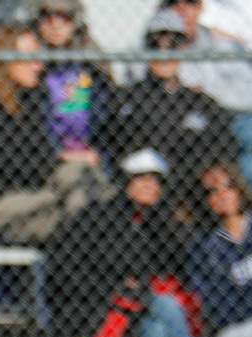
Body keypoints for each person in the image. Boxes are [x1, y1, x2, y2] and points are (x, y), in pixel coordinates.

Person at [46, 148, 245, 337]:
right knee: (163, 307)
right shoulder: (95, 218)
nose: (149, 186)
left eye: (156, 181)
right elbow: (63, 275)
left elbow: (183, 261)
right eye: (140, 179)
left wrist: (159, 218)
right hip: (93, 320)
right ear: (125, 182)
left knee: (155, 335)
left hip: (140, 321)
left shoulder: (157, 224)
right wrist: (116, 292)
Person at [0, 23, 102, 245]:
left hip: (36, 198)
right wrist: (65, 159)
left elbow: (42, 158)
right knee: (82, 211)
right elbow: (19, 164)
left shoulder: (27, 104)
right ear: (4, 60)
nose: (38, 66)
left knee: (81, 182)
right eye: (30, 58)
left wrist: (70, 162)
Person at [98, 9, 240, 219]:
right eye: (156, 45)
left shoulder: (201, 103)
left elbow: (226, 151)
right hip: (134, 200)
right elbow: (108, 146)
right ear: (146, 50)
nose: (164, 54)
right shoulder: (124, 99)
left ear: (182, 50)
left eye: (172, 45)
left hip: (190, 202)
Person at [160, 0, 252, 187]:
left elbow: (248, 95)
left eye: (190, 3)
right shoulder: (153, 43)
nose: (183, 9)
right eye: (174, 3)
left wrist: (207, 93)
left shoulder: (222, 45)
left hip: (224, 115)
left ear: (200, 8)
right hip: (174, 114)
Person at [188, 162, 252, 337]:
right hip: (234, 328)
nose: (222, 194)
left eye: (228, 186)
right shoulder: (204, 245)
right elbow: (215, 303)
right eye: (213, 191)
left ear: (240, 191)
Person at [27, 0, 113, 163]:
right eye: (47, 17)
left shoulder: (91, 61)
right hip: (46, 154)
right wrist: (56, 152)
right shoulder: (31, 62)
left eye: (65, 17)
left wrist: (95, 151)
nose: (55, 25)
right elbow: (32, 121)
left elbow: (105, 113)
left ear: (76, 22)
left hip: (91, 150)